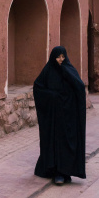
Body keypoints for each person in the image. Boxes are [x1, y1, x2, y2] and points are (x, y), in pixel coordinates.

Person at [33, 46, 86, 185]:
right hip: (53, 117)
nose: (61, 60)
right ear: (53, 57)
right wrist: (52, 96)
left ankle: (66, 171)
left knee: (68, 142)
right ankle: (58, 172)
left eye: (63, 57)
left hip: (69, 116)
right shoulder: (48, 71)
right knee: (55, 143)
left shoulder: (70, 70)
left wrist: (66, 73)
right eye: (58, 57)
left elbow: (80, 88)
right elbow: (38, 88)